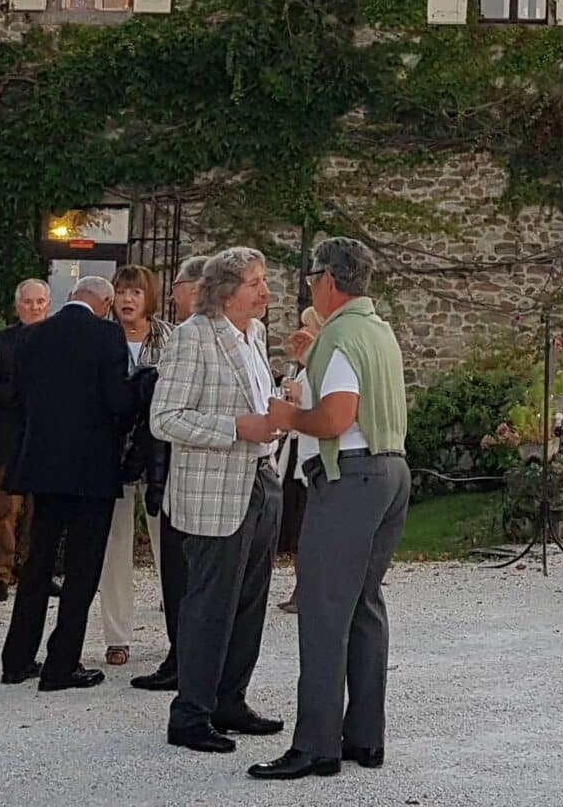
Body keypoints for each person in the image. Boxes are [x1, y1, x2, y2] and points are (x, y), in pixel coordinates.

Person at [250, 238, 410, 781]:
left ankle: (315, 746)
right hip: (392, 471)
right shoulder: (378, 329)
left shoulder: (338, 335)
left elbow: (338, 416)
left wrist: (288, 416)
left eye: (311, 276)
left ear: (327, 280)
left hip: (350, 478)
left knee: (322, 612)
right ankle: (364, 737)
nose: (308, 286)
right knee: (364, 604)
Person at [152, 247, 290, 753]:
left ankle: (230, 700)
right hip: (213, 492)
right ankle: (189, 715)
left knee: (250, 601)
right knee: (209, 604)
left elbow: (254, 403)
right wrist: (235, 428)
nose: (266, 291)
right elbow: (163, 418)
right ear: (227, 290)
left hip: (261, 479)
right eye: (256, 282)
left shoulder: (255, 335)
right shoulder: (191, 337)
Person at [1, 275, 133, 692]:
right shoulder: (108, 336)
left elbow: (19, 400)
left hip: (42, 466)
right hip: (91, 469)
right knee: (82, 569)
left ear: (71, 298)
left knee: (38, 561)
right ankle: (62, 664)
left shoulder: (33, 337)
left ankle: (17, 659)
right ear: (107, 303)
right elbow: (118, 401)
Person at [133, 255, 207, 692]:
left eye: (176, 284)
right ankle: (183, 656)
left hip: (185, 469)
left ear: (193, 289)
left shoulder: (188, 337)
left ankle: (184, 659)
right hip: (176, 467)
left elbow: (169, 416)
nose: (172, 292)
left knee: (183, 574)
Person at [98, 263, 163, 669]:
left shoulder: (169, 337)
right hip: (113, 453)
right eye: (121, 292)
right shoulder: (100, 338)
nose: (127, 299)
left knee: (167, 545)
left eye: (135, 292)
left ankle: (178, 631)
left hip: (158, 453)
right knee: (114, 545)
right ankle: (117, 636)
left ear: (148, 297)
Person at [0, 279, 50, 602]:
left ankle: (37, 574)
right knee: (6, 511)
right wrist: (20, 394)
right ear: (18, 305)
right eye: (29, 302)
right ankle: (0, 575)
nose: (34, 307)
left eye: (40, 302)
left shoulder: (59, 342)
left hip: (46, 441)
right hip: (8, 440)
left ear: (48, 304)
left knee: (42, 513)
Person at [274, 305, 322, 616]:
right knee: (295, 526)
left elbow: (319, 402)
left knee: (307, 526)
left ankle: (308, 589)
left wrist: (298, 396)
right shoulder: (307, 365)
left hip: (312, 452)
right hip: (295, 452)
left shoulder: (322, 364)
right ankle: (299, 586)